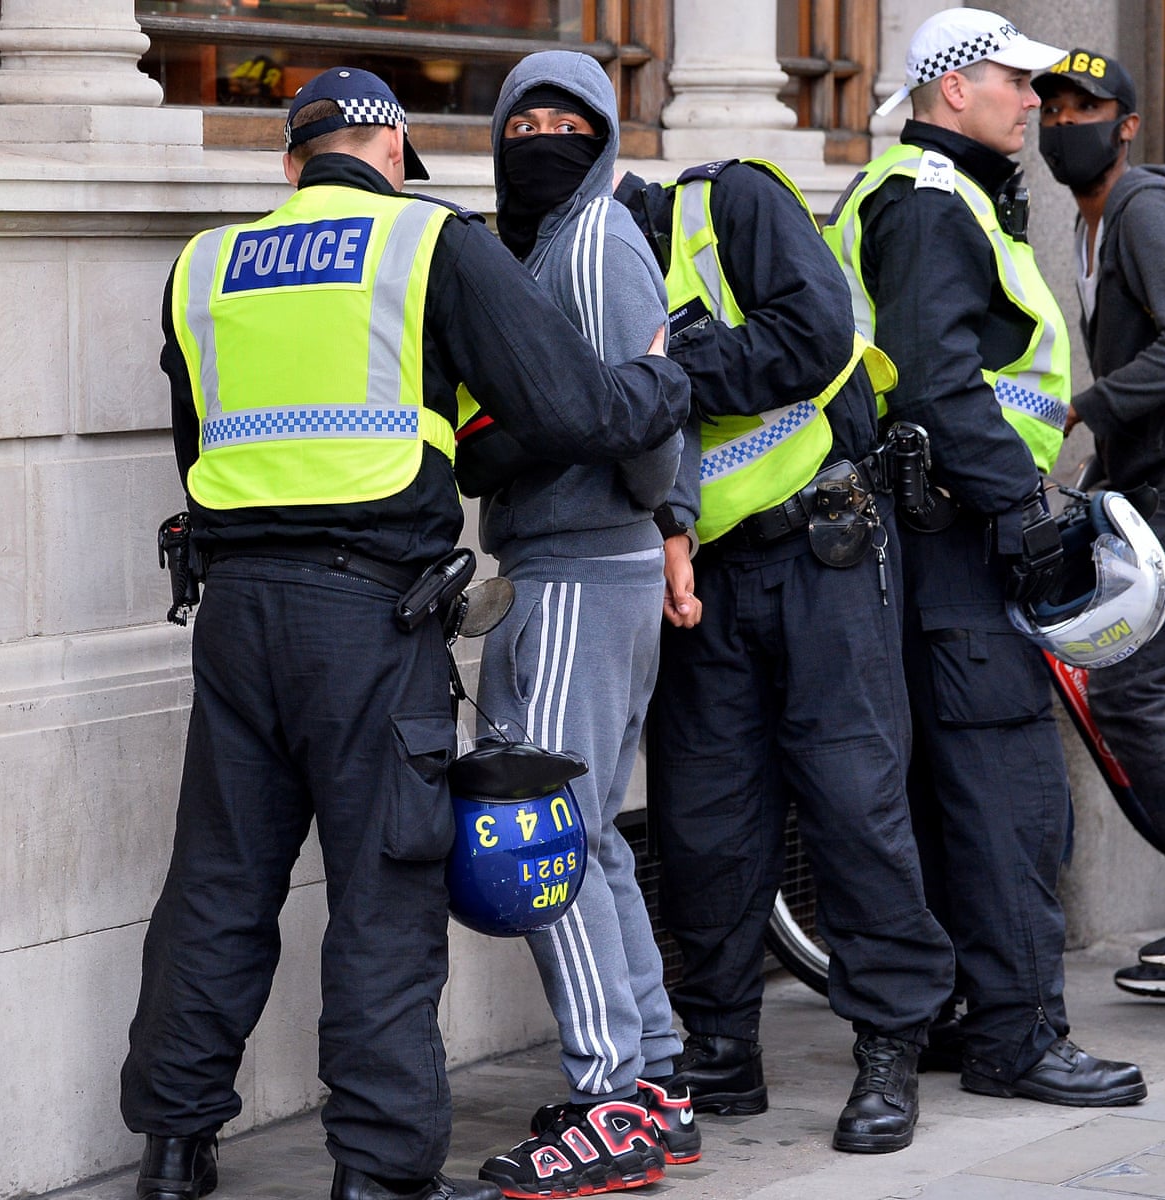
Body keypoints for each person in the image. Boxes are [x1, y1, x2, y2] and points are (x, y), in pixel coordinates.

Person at [118, 66, 690, 1200]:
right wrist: (668, 382)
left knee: (218, 884)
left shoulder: (205, 267)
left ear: (290, 162)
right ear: (390, 154)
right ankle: (378, 1175)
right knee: (382, 890)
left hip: (235, 614)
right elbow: (573, 408)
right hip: (372, 621)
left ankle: (175, 1152)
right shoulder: (424, 244)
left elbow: (203, 456)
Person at [823, 8, 1147, 1103]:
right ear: (954, 88)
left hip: (921, 540)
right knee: (1004, 791)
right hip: (957, 541)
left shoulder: (914, 195)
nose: (1034, 105)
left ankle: (972, 1012)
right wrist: (1023, 509)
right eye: (1018, 83)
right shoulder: (927, 203)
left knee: (952, 789)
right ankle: (1018, 1036)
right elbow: (935, 383)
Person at [615, 143, 961, 1149]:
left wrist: (664, 372)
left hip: (824, 550)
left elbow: (811, 337)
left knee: (856, 802)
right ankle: (722, 1045)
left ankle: (892, 1041)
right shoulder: (565, 265)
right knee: (704, 820)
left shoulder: (729, 201)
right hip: (696, 580)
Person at [457, 51, 698, 1199]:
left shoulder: (594, 238)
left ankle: (612, 1102)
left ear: (603, 136)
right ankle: (656, 1076)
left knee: (537, 833)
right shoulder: (548, 245)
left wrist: (652, 510)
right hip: (585, 568)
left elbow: (647, 416)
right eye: (523, 118)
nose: (540, 136)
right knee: (589, 834)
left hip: (574, 569)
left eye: (567, 119)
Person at [1035, 48, 1165, 1000]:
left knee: (1131, 694)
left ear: (1125, 125)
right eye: (1050, 107)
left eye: (1086, 108)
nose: (1064, 123)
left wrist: (1086, 408)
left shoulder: (1141, 210)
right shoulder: (1092, 225)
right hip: (1151, 481)